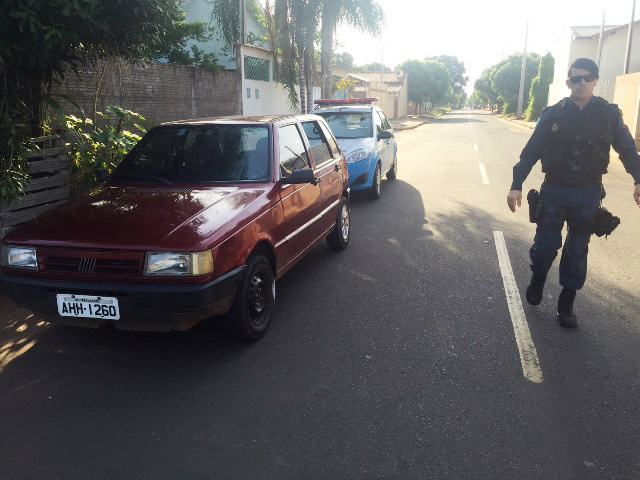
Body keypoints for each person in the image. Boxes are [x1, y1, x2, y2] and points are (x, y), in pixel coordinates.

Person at [507, 57, 640, 328]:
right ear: (568, 81)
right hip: (554, 190)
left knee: (577, 250)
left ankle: (566, 302)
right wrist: (516, 184)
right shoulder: (552, 114)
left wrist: (638, 179)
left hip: (588, 194)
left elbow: (627, 148)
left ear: (595, 81)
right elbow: (531, 151)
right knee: (545, 246)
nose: (582, 83)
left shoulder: (608, 114)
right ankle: (539, 277)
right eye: (576, 78)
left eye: (587, 77)